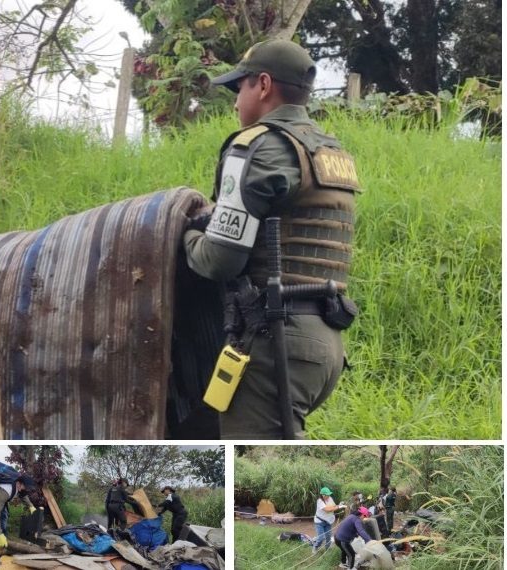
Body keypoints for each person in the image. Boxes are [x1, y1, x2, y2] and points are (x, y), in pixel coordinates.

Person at [183, 39, 360, 439]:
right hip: (325, 343)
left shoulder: (257, 147)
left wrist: (185, 237)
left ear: (262, 85)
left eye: (239, 88)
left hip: (274, 340)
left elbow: (219, 260)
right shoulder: (330, 151)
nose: (234, 103)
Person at [312, 487, 339, 553]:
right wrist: (337, 507)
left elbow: (334, 506)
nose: (328, 496)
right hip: (319, 522)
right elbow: (327, 510)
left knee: (328, 536)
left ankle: (327, 549)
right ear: (323, 495)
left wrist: (336, 507)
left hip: (328, 521)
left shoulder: (330, 498)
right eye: (327, 495)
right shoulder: (319, 501)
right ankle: (315, 547)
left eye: (329, 494)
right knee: (320, 538)